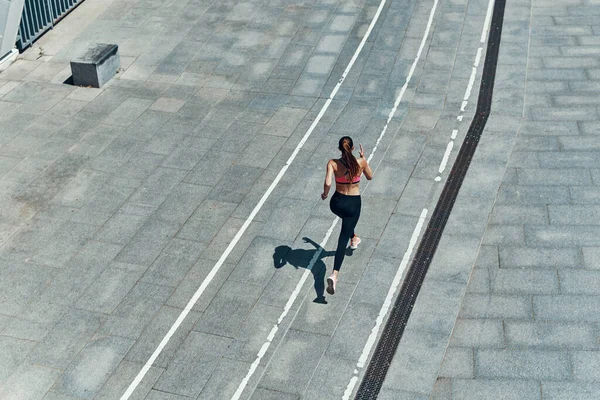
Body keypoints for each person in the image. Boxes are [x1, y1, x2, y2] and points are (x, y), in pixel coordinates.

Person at [321, 136, 373, 295]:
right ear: (351, 149)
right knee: (342, 239)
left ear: (339, 149)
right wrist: (364, 159)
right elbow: (370, 176)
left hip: (336, 203)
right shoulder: (360, 163)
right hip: (352, 204)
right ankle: (334, 275)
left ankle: (354, 237)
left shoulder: (332, 163)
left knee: (347, 224)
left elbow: (329, 182)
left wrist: (325, 193)